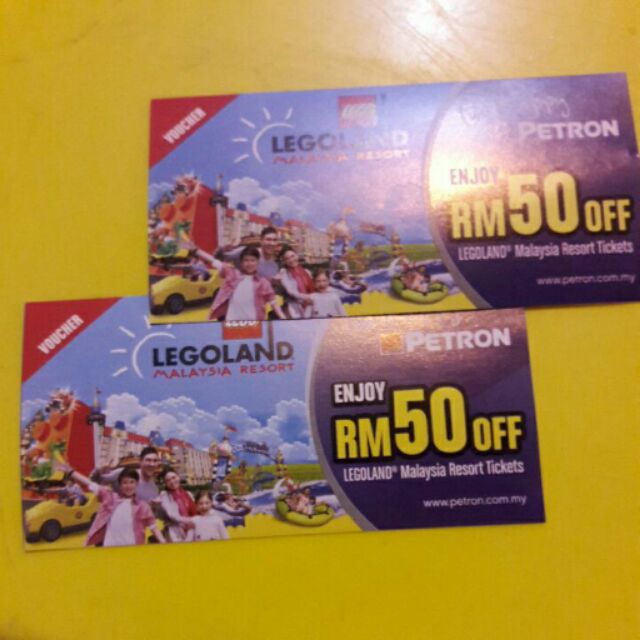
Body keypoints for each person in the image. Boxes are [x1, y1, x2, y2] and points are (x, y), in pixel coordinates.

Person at [66, 466, 166, 547]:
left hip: (134, 550)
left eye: (132, 482)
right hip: (110, 550)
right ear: (120, 485)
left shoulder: (142, 506)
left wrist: (164, 545)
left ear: (136, 484)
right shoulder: (111, 499)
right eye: (125, 482)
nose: (128, 486)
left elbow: (153, 527)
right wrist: (71, 472)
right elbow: (90, 484)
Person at [196, 246, 286, 321]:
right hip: (231, 323)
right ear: (241, 262)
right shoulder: (232, 274)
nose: (249, 264)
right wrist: (196, 250)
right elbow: (214, 261)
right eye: (246, 260)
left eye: (253, 260)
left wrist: (284, 319)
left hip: (255, 325)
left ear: (258, 262)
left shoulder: (263, 283)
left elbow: (273, 302)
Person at [92, 446, 161, 503]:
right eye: (148, 460)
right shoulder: (124, 473)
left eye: (155, 461)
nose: (152, 464)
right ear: (140, 461)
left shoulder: (154, 489)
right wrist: (99, 471)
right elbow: (94, 481)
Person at [158, 469, 197, 543]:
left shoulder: (188, 494)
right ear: (165, 483)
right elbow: (172, 515)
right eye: (168, 480)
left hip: (191, 529)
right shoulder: (165, 495)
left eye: (174, 477)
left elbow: (195, 511)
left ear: (178, 477)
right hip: (175, 531)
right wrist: (192, 520)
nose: (172, 482)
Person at [277, 247, 314, 318]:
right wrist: (311, 297)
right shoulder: (284, 274)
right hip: (295, 308)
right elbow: (292, 292)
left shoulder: (307, 272)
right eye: (287, 258)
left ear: (297, 256)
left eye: (292, 256)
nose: (291, 260)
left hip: (309, 306)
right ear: (284, 261)